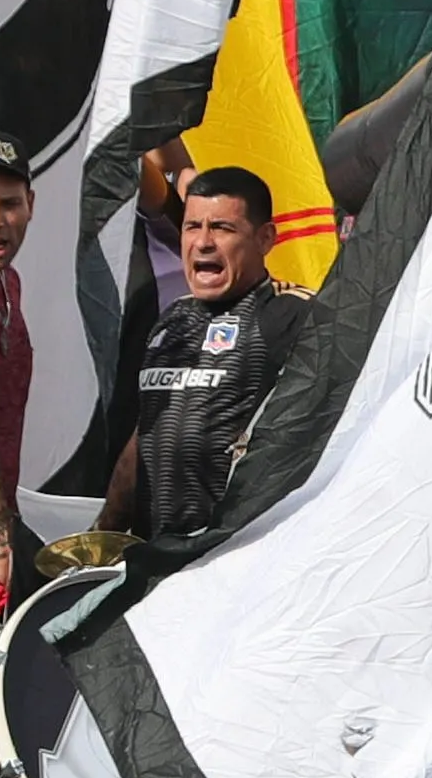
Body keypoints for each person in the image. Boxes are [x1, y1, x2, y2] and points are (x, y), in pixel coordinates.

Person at [109, 170, 305, 540]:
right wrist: (106, 529)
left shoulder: (291, 315)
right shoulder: (170, 321)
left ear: (265, 238)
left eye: (222, 228)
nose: (202, 242)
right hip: (155, 555)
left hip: (235, 557)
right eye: (191, 227)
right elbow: (146, 433)